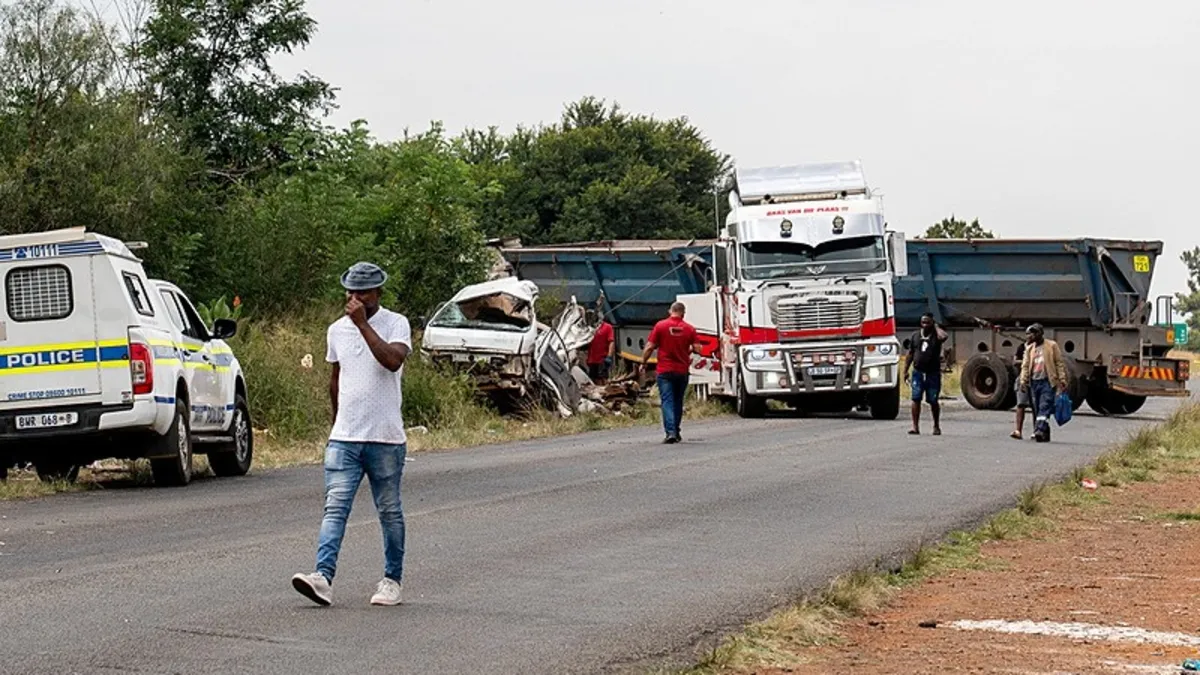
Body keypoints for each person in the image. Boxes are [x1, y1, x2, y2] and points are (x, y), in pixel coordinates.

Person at [292, 262, 412, 607]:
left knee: (389, 511)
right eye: (351, 292)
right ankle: (322, 577)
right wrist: (335, 424)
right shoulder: (336, 330)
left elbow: (392, 361)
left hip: (385, 437)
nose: (355, 298)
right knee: (335, 508)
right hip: (345, 436)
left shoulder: (395, 323)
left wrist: (362, 325)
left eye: (363, 293)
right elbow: (336, 377)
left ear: (378, 293)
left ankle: (392, 580)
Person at [638, 302, 701, 444]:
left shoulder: (660, 326)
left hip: (664, 370)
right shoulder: (689, 329)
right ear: (683, 313)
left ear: (670, 311)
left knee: (667, 401)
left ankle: (670, 432)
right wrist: (688, 350)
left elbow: (649, 347)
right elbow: (698, 349)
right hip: (682, 371)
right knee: (678, 401)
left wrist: (643, 362)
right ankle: (676, 430)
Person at [1018, 323, 1068, 443]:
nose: (1033, 335)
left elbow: (1059, 363)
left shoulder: (1051, 346)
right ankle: (1045, 434)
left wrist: (1062, 380)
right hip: (1034, 382)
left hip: (1047, 381)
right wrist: (1023, 381)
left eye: (1035, 332)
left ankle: (1039, 430)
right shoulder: (1030, 348)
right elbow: (1025, 366)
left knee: (1044, 406)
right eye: (1031, 333)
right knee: (1036, 409)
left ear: (1041, 333)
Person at [902, 312, 949, 436]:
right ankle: (915, 426)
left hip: (932, 373)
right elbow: (910, 354)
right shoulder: (915, 336)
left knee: (933, 400)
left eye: (928, 322)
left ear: (932, 323)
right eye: (923, 322)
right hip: (918, 372)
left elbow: (944, 337)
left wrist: (936, 327)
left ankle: (936, 426)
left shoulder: (936, 336)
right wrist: (905, 370)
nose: (925, 325)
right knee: (915, 398)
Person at [1011, 336, 1034, 440]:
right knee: (1020, 404)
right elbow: (1015, 361)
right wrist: (1026, 361)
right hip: (1022, 378)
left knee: (1036, 406)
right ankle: (1018, 430)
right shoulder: (1022, 347)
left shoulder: (1040, 348)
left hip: (1036, 379)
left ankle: (1036, 431)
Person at [586, 311, 616, 384]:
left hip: (602, 360)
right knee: (594, 380)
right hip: (592, 360)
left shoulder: (607, 327)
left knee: (603, 379)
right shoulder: (589, 329)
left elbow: (611, 342)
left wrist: (609, 356)